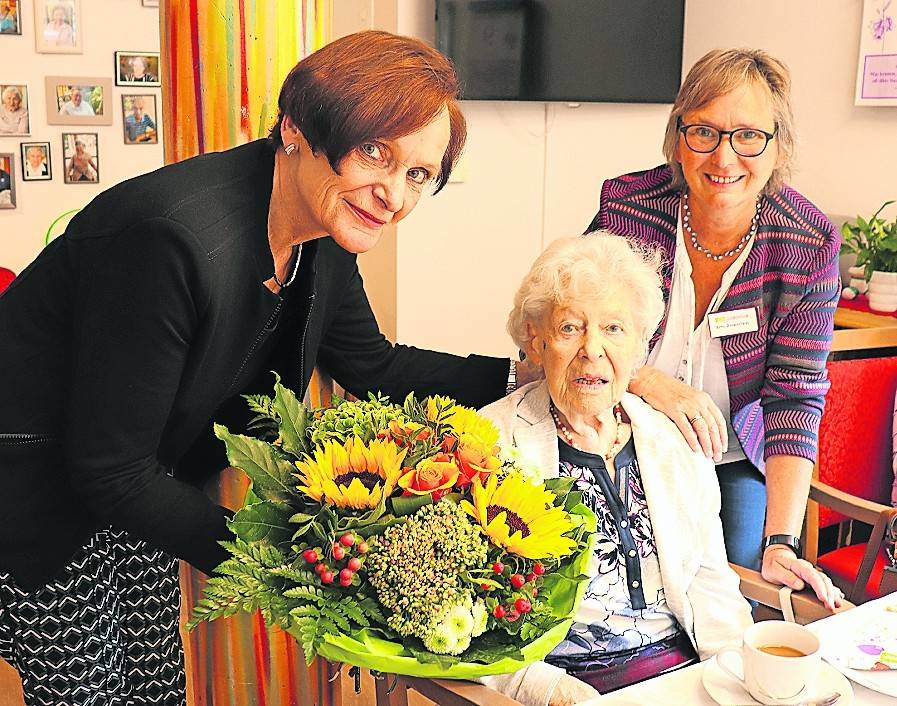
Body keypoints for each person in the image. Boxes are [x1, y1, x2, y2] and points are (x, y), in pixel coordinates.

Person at [0, 31, 522, 706]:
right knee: (88, 695)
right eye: (374, 152)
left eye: (417, 174)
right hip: (33, 489)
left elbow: (373, 362)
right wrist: (300, 573)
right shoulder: (171, 237)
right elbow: (108, 469)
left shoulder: (321, 235)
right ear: (296, 128)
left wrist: (531, 373)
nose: (392, 194)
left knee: (155, 686)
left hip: (131, 485)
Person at [586, 48, 843, 608]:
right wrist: (649, 383)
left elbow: (793, 399)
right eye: (703, 131)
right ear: (678, 138)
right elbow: (575, 333)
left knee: (736, 594)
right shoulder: (627, 208)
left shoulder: (807, 243)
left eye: (748, 135)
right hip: (617, 437)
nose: (724, 156)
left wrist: (782, 540)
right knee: (616, 591)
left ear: (778, 146)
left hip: (728, 457)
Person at [479, 235, 753, 705]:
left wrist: (738, 678)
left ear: (640, 345)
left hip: (678, 676)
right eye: (570, 328)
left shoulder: (673, 439)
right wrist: (551, 693)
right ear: (535, 340)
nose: (593, 349)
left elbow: (711, 583)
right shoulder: (490, 443)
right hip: (567, 684)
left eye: (613, 328)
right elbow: (469, 619)